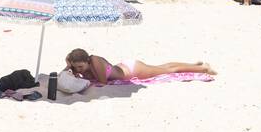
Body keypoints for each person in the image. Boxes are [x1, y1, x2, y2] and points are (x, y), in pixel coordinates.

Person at [65, 48, 214, 83]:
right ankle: (194, 65)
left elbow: (103, 82)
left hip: (132, 70)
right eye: (76, 67)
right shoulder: (78, 63)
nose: (78, 70)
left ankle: (203, 68)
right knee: (165, 66)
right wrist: (68, 65)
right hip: (125, 66)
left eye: (80, 67)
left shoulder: (95, 61)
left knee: (169, 70)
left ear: (87, 61)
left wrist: (78, 74)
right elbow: (65, 73)